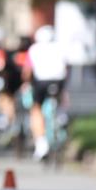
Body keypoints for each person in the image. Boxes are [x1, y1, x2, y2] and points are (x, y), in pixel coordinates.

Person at [23, 25, 68, 160]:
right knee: (61, 98)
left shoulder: (34, 49)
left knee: (36, 110)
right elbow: (67, 67)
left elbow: (27, 71)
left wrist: (26, 82)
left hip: (41, 83)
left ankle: (41, 144)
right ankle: (61, 116)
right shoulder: (60, 48)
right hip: (58, 82)